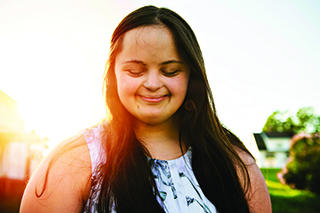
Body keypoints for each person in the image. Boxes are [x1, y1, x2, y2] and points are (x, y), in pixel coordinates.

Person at [20, 5, 271, 213]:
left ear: (191, 76)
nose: (152, 84)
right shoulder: (74, 160)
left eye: (170, 71)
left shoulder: (235, 163)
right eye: (135, 71)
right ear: (113, 74)